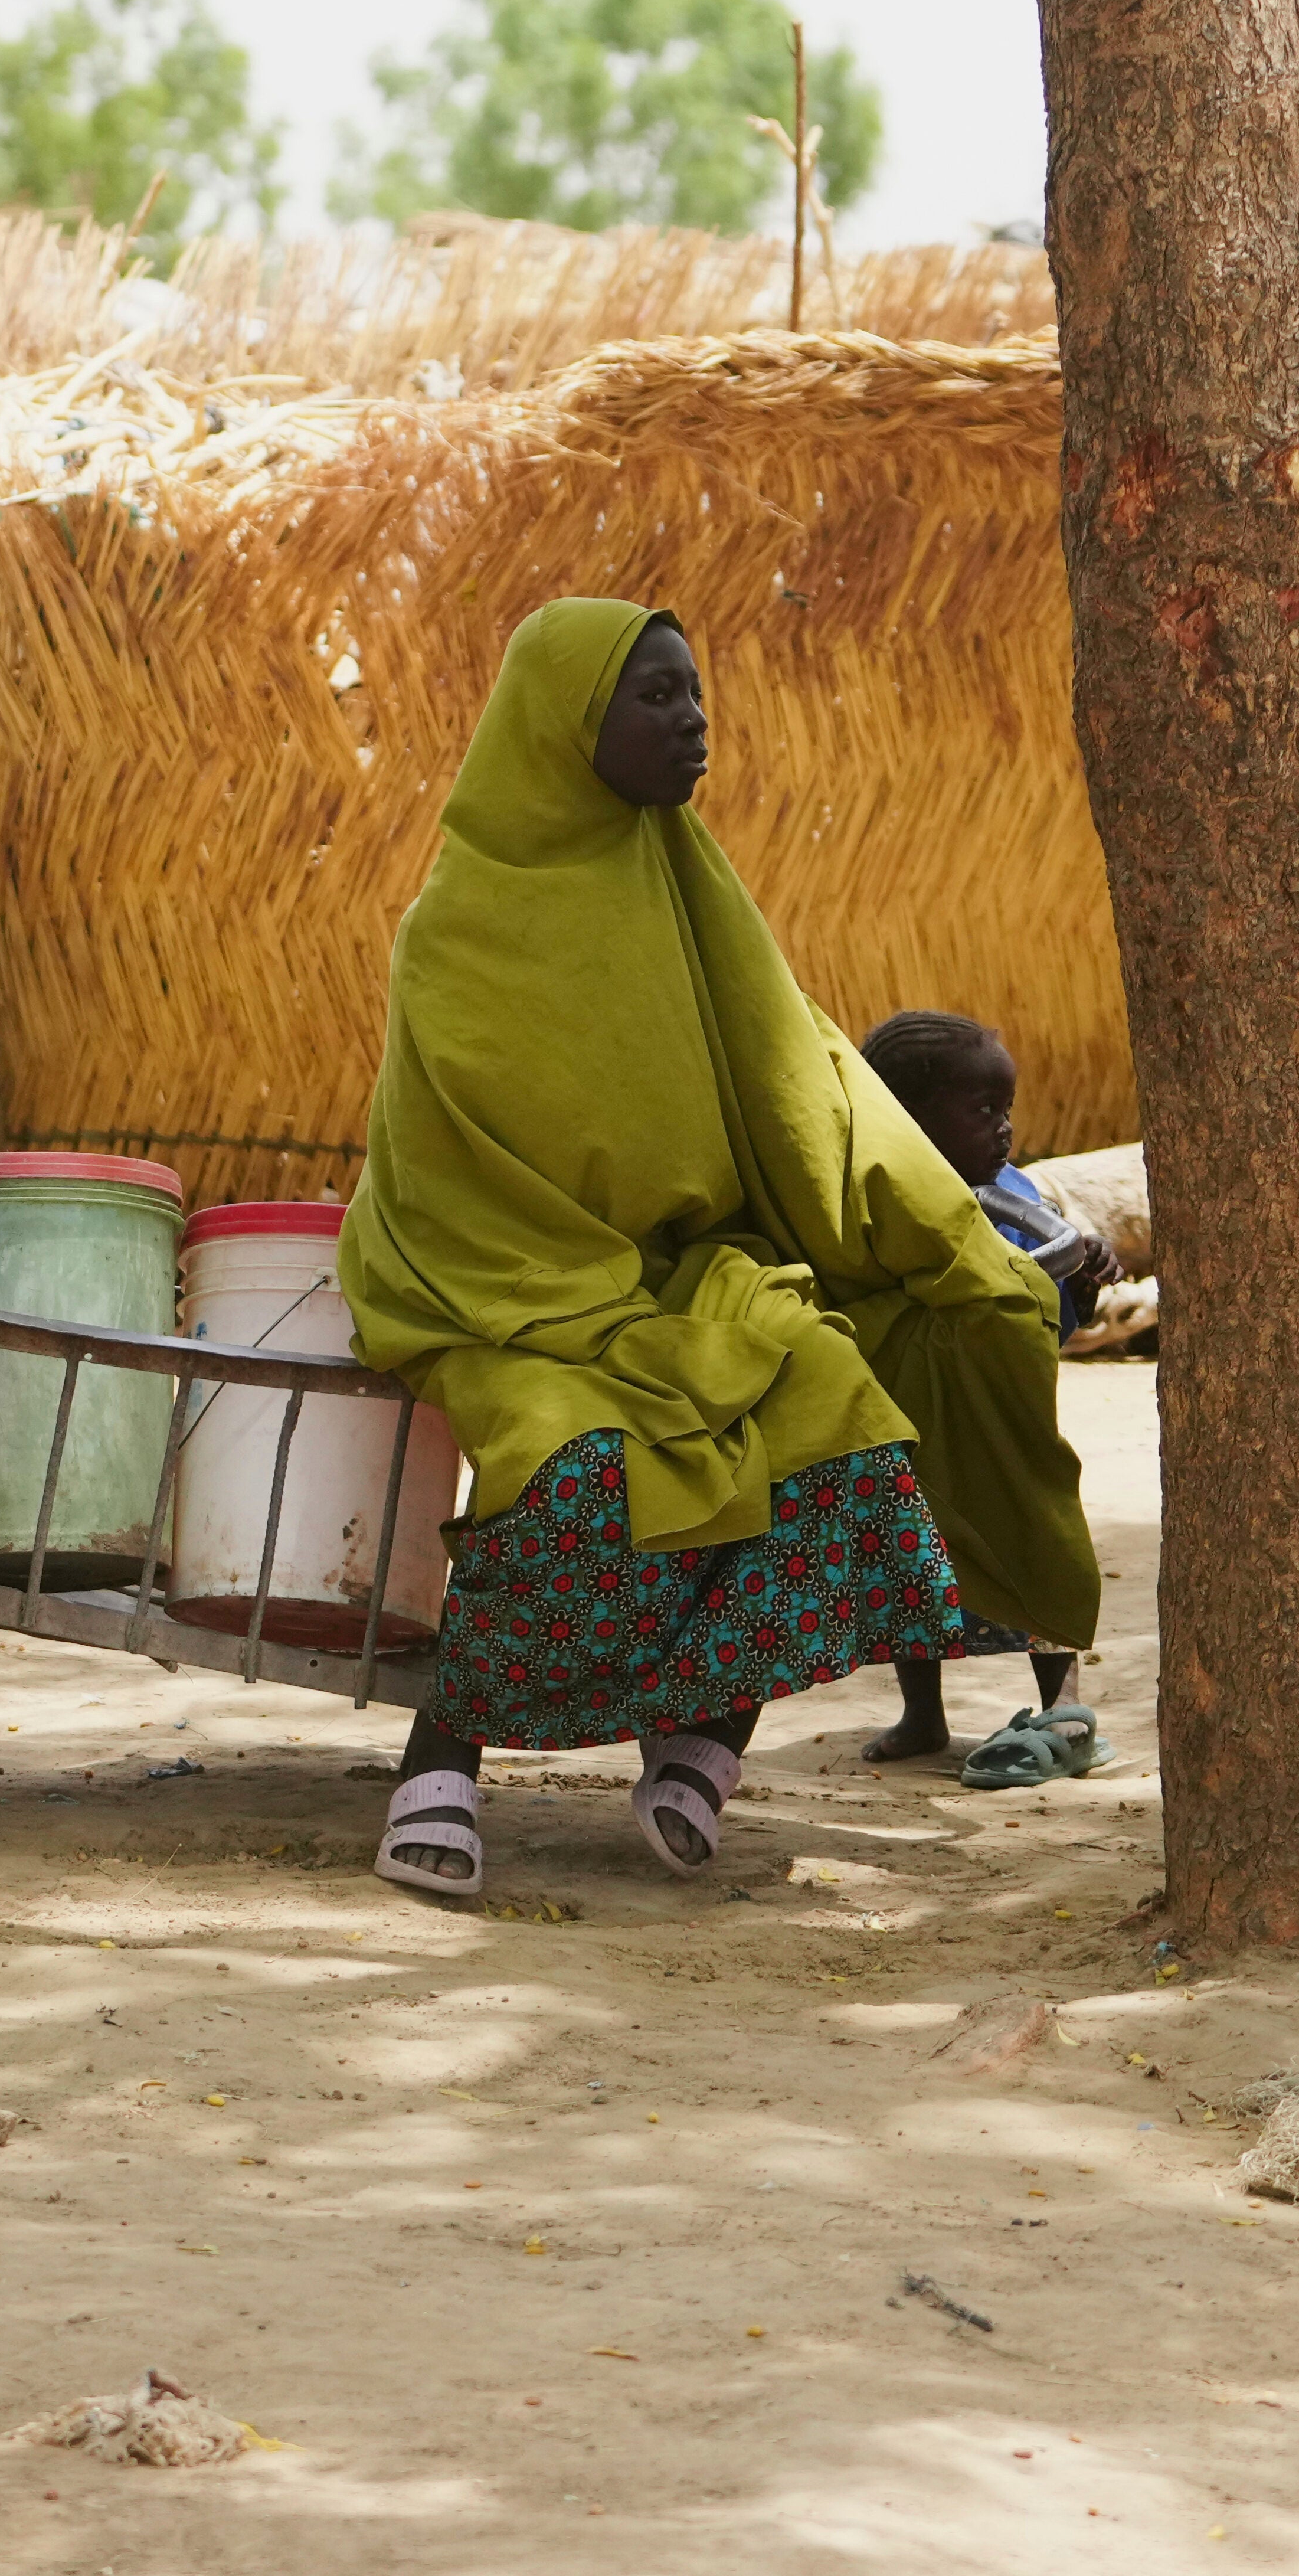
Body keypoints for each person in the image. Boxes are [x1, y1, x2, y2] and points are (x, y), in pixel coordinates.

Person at [339, 600, 1102, 1894]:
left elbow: (811, 1086)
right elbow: (444, 1164)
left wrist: (962, 1250)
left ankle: (700, 1741)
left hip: (692, 1275)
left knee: (840, 1427)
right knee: (574, 1467)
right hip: (509, 1289)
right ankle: (441, 1764)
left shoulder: (694, 894)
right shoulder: (457, 929)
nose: (691, 720)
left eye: (693, 693)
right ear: (564, 724)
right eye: (653, 696)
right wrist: (586, 1284)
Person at [851, 1009, 1112, 1772]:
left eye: (1006, 1109)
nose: (1003, 1130)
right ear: (905, 1119)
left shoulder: (1016, 1194)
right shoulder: (887, 1198)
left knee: (1039, 1540)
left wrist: (1084, 1276)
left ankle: (1063, 1704)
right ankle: (921, 1714)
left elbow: (1044, 1313)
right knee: (916, 1558)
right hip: (917, 1420)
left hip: (1005, 1424)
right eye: (981, 1111)